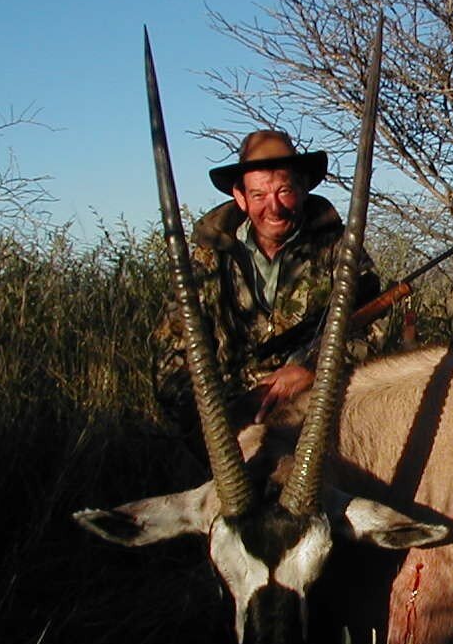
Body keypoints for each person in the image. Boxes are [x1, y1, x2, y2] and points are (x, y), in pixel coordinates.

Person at [153, 129, 381, 434]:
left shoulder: (340, 250)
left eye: (284, 191)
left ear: (302, 189)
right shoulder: (205, 262)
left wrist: (312, 371)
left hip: (313, 420)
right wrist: (216, 424)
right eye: (259, 195)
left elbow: (370, 334)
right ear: (241, 197)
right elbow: (171, 357)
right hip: (226, 433)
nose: (273, 207)